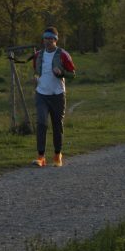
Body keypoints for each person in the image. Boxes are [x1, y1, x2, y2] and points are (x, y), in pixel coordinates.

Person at [31, 26, 76, 167]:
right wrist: (36, 77)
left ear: (56, 40)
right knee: (41, 123)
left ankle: (57, 155)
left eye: (51, 38)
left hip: (57, 95)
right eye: (45, 38)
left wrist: (61, 73)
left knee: (57, 125)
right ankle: (41, 157)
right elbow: (36, 70)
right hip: (41, 94)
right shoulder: (38, 55)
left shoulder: (63, 54)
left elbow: (72, 74)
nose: (48, 41)